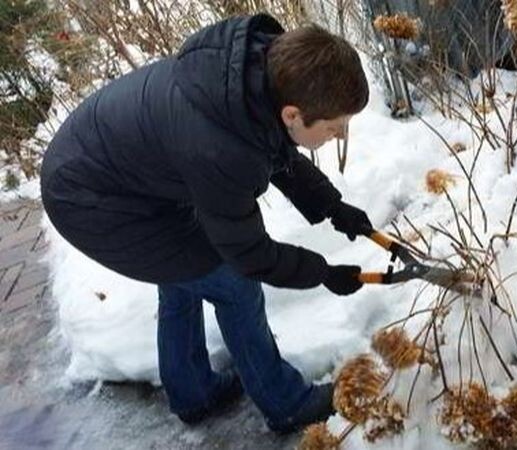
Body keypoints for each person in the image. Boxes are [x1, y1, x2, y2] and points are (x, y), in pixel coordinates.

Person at [40, 13, 372, 434]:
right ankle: (287, 403)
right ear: (293, 113)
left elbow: (271, 148)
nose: (340, 134)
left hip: (115, 175)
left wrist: (331, 205)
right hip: (93, 203)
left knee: (185, 269)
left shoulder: (250, 83)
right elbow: (252, 256)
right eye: (334, 125)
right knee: (231, 281)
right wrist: (322, 272)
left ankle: (194, 392)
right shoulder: (220, 147)